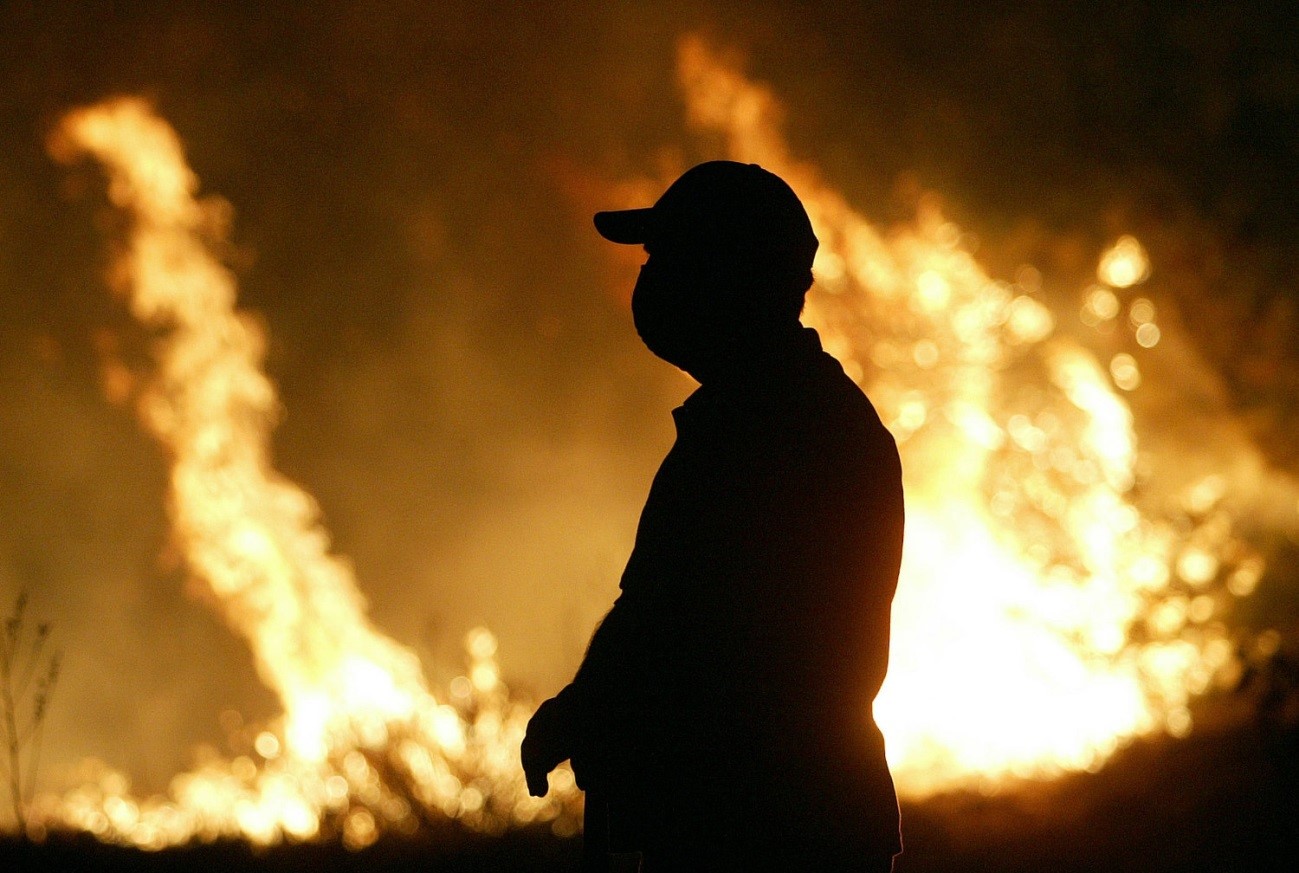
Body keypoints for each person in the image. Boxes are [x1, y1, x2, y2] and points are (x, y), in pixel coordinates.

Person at [522, 161, 905, 872]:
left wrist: (607, 715)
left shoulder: (789, 435)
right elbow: (659, 609)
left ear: (729, 276)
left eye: (668, 259)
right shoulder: (743, 421)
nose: (652, 283)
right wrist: (587, 708)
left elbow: (720, 635)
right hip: (747, 813)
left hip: (768, 828)